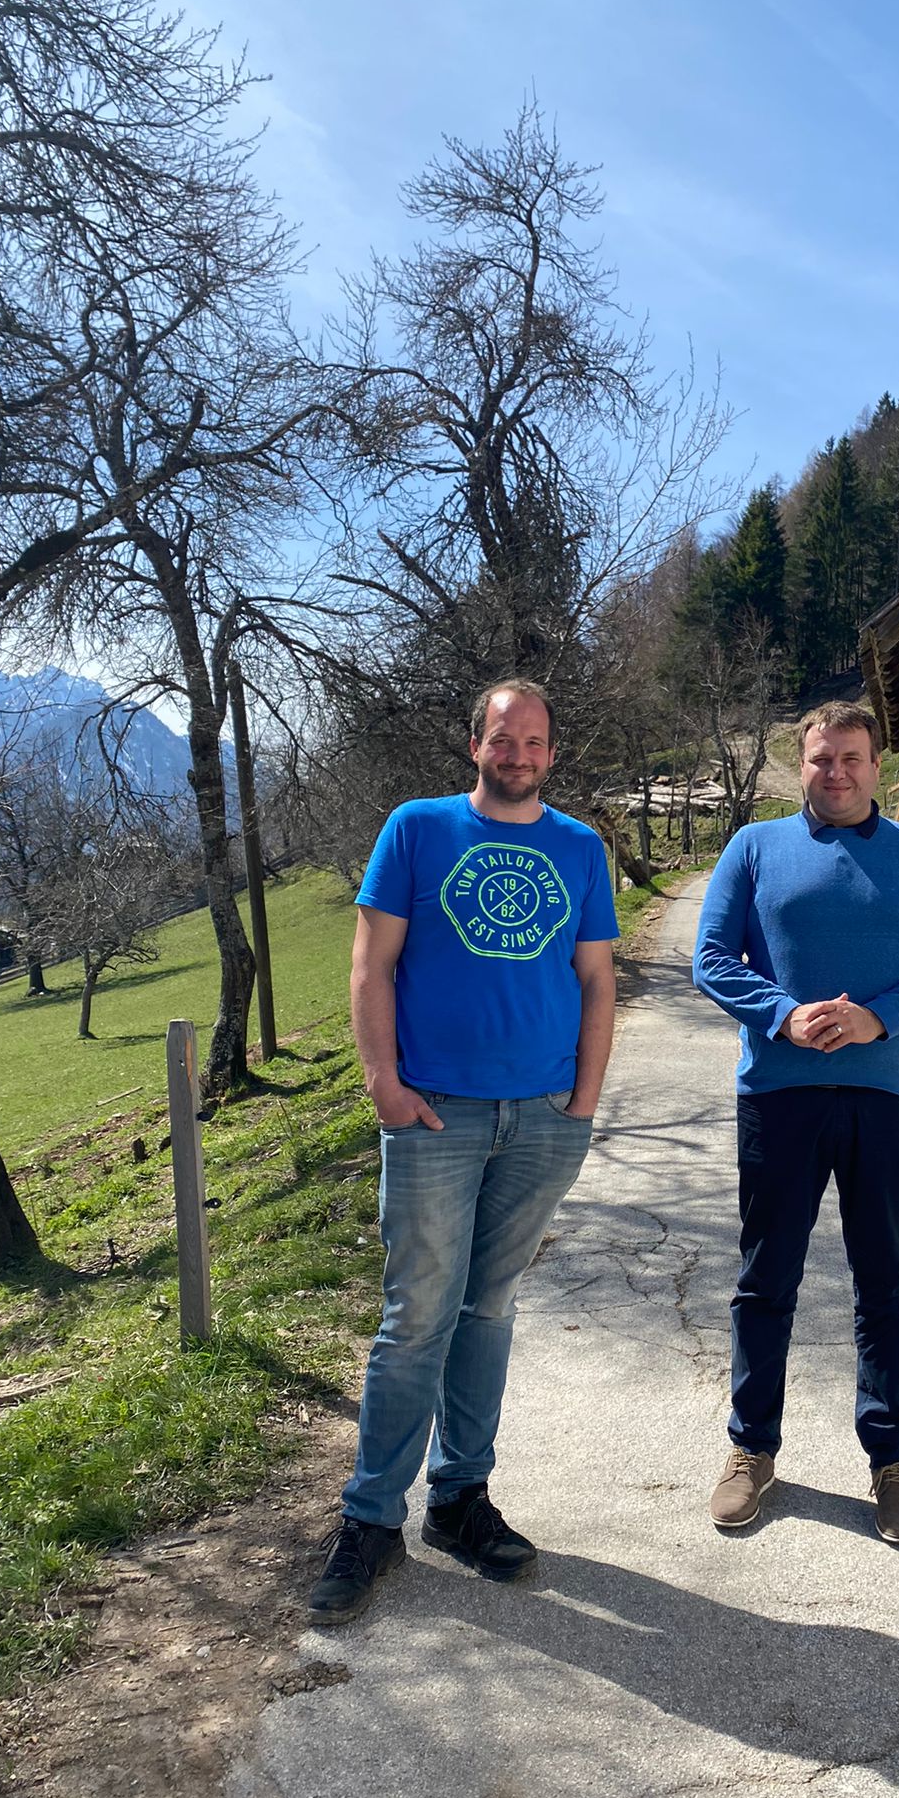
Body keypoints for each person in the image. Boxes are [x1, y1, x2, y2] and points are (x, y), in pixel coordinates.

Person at [308, 680, 617, 1624]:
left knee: (489, 1309)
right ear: (475, 743)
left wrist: (583, 1101)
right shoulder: (417, 829)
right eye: (502, 738)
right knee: (417, 1317)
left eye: (534, 742)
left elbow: (597, 979)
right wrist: (383, 1082)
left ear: (551, 754)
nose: (518, 754)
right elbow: (372, 964)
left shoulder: (579, 847)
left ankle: (459, 1498)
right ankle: (371, 1518)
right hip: (435, 1114)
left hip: (543, 1117)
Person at [692, 702, 899, 1545]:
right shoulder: (754, 847)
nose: (836, 772)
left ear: (878, 765)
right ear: (802, 764)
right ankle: (751, 1448)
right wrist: (784, 1014)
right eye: (821, 759)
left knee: (885, 1283)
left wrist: (875, 1019)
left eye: (852, 757)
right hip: (779, 1095)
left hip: (885, 1095)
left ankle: (891, 1460)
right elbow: (711, 958)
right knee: (765, 1279)